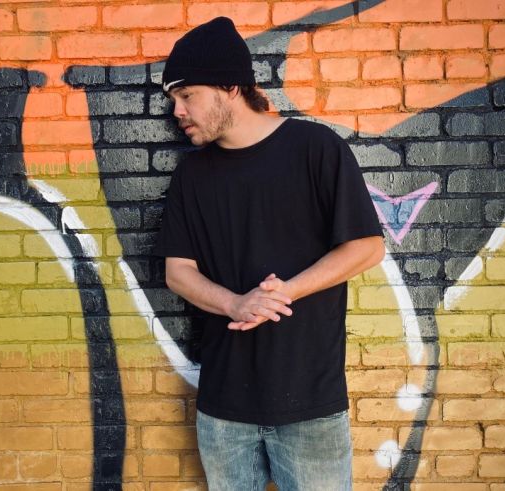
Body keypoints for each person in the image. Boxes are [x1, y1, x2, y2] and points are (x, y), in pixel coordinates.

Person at [154, 17, 386, 490]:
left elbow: (367, 247)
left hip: (311, 405)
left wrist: (289, 290)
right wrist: (237, 304)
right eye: (172, 100)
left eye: (186, 95)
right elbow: (178, 271)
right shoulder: (192, 176)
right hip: (223, 411)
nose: (177, 110)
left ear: (230, 86)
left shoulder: (316, 149)